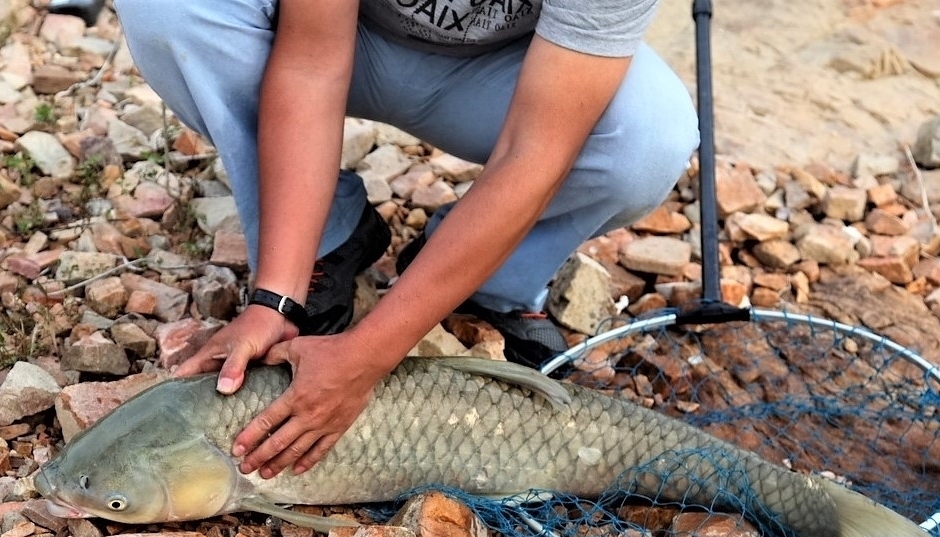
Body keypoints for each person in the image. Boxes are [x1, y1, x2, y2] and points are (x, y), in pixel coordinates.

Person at [112, 0, 699, 480]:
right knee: (171, 10)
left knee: (649, 141)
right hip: (352, 36)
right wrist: (275, 297)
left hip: (507, 73)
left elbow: (535, 148)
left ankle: (490, 283)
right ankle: (325, 241)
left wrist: (368, 355)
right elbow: (311, 63)